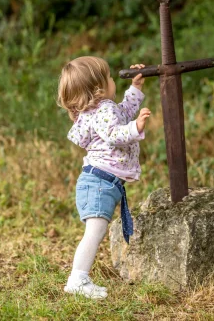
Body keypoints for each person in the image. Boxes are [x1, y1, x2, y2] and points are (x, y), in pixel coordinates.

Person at [56, 56, 151, 299]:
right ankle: (77, 280)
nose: (112, 80)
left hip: (98, 182)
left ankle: (80, 278)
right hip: (99, 184)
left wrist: (135, 88)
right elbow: (114, 134)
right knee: (94, 232)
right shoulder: (103, 111)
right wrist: (136, 128)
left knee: (95, 231)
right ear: (98, 87)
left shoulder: (100, 109)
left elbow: (122, 112)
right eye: (108, 77)